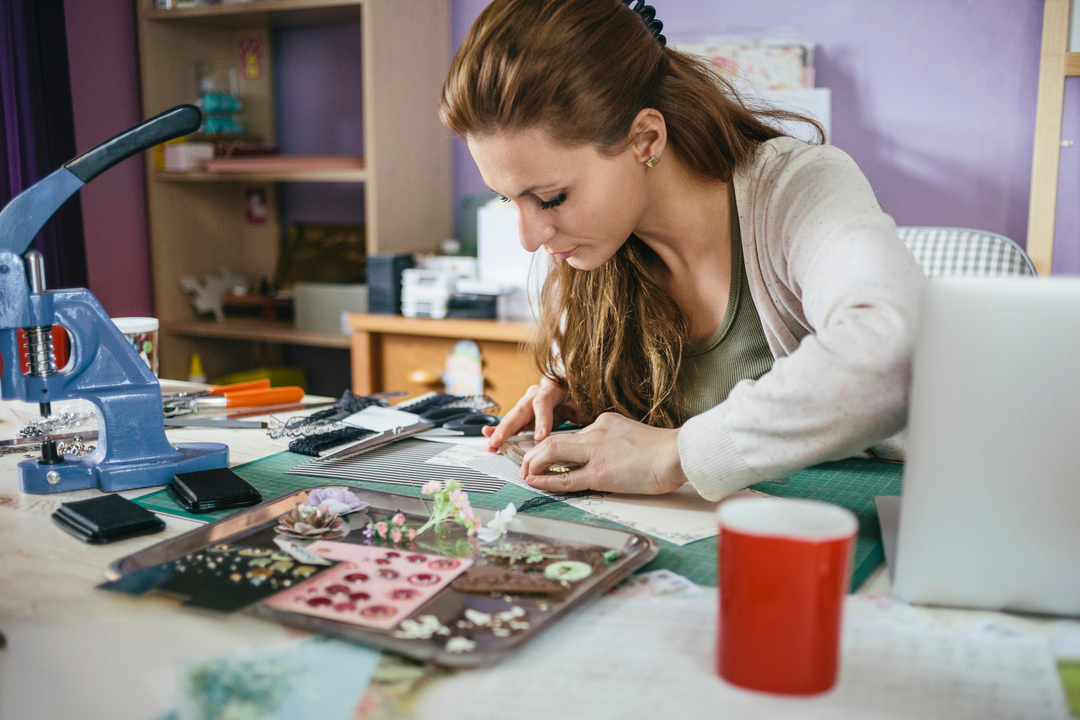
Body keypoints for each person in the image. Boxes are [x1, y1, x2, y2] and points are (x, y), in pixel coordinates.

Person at [440, 0, 926, 501]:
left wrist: (675, 455)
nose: (529, 237)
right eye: (508, 199)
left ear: (645, 139)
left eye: (550, 198)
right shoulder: (598, 251)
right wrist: (583, 393)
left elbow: (897, 350)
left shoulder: (799, 188)